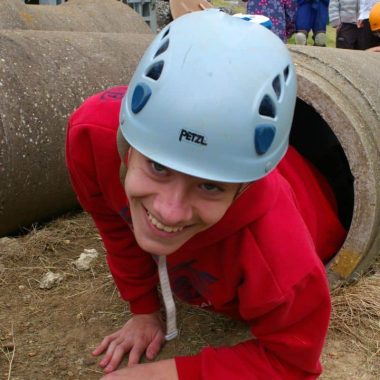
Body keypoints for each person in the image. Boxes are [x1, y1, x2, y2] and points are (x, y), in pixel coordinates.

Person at [65, 9, 346, 380]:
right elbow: (117, 227)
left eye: (210, 185)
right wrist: (144, 309)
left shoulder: (282, 253)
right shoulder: (90, 138)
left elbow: (292, 363)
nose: (169, 210)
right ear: (128, 141)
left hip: (318, 205)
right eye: (158, 167)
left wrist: (167, 374)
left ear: (246, 186)